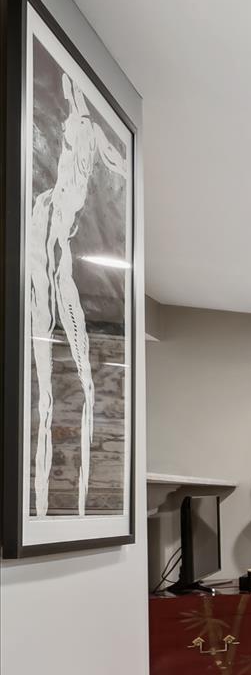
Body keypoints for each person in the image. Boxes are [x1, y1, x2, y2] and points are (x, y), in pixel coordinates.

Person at [26, 69, 130, 517]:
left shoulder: (92, 139)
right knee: (49, 377)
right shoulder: (41, 206)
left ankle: (65, 494)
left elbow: (118, 163)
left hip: (65, 254)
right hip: (53, 246)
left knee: (82, 379)